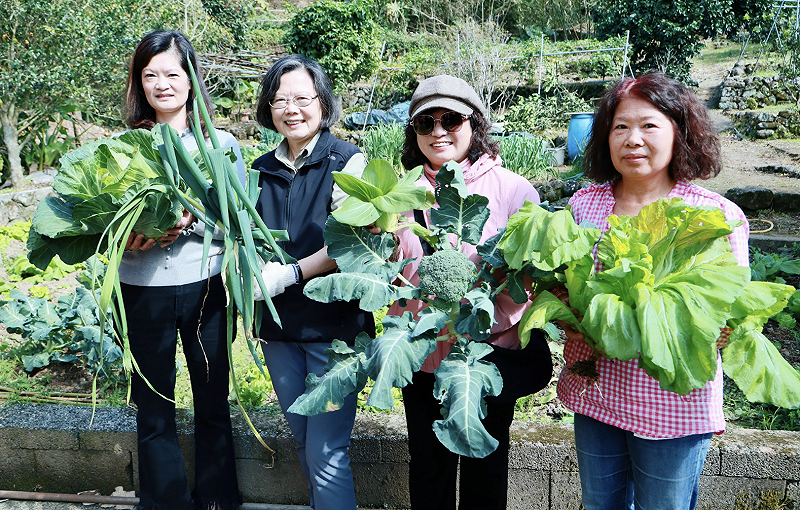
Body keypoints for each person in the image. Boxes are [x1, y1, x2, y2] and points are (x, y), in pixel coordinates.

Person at [557, 72, 750, 510]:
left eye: (649, 126)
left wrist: (711, 327)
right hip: (598, 391)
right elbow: (560, 285)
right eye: (620, 126)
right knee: (598, 503)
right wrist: (565, 314)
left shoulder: (715, 214)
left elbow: (728, 312)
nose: (632, 139)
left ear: (679, 133)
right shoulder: (583, 205)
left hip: (674, 403)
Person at [388, 75, 553, 510]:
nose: (438, 131)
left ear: (475, 124)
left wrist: (479, 307)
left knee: (486, 470)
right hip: (422, 353)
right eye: (426, 122)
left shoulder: (514, 190)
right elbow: (388, 269)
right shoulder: (400, 194)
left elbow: (532, 276)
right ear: (415, 132)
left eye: (451, 119)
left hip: (487, 357)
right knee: (427, 468)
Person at [120, 29, 244, 510]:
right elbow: (103, 224)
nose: (162, 84)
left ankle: (218, 500)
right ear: (139, 84)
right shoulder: (126, 147)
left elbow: (237, 219)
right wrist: (129, 233)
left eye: (172, 73)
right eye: (150, 75)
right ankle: (164, 503)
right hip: (142, 288)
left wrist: (191, 219)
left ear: (191, 79)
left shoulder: (221, 144)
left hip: (205, 286)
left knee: (212, 400)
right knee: (153, 405)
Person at [250, 54, 374, 510]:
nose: (291, 109)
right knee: (303, 438)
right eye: (280, 99)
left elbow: (351, 240)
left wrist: (291, 273)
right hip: (279, 329)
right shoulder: (259, 169)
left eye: (302, 98)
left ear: (323, 103)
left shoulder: (347, 161)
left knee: (326, 452)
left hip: (334, 330)